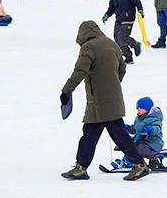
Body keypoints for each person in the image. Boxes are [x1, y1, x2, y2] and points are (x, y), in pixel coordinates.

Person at [59, 20, 150, 181]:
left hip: (100, 101)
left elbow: (79, 71)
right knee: (89, 134)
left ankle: (139, 164)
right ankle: (81, 167)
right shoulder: (112, 44)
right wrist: (112, 86)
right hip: (108, 99)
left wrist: (66, 90)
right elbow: (122, 69)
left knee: (118, 134)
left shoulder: (89, 47)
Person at [103, 0, 144, 64]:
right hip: (119, 18)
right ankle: (128, 57)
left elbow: (137, 2)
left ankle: (135, 44)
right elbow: (112, 8)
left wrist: (140, 10)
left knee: (122, 37)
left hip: (128, 18)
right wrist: (107, 15)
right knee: (117, 39)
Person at [123, 96, 164, 167]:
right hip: (140, 140)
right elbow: (135, 129)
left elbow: (157, 128)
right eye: (137, 108)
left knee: (141, 149)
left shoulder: (154, 119)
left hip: (152, 142)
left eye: (141, 108)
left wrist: (151, 129)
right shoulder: (139, 118)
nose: (138, 110)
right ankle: (130, 160)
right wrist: (128, 128)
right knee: (128, 143)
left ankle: (154, 158)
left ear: (147, 109)